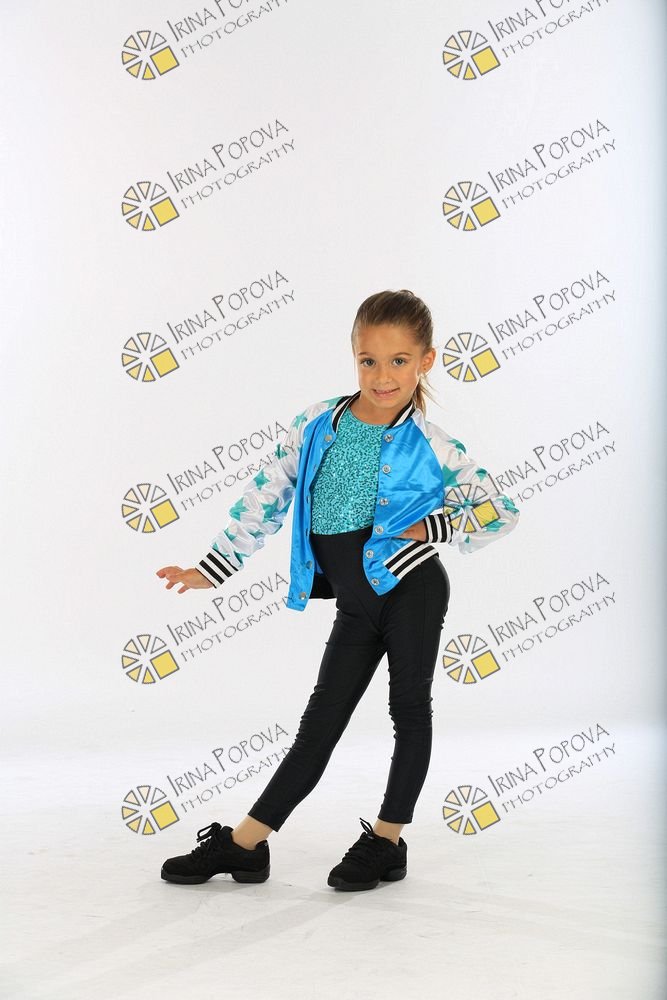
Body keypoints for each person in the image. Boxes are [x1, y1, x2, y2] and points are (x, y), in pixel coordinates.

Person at [156, 288, 520, 891]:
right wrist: (215, 566)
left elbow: (500, 512)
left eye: (399, 361)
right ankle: (246, 846)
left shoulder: (434, 446)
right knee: (319, 724)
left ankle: (387, 841)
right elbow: (267, 495)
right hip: (357, 603)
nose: (382, 376)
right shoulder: (315, 424)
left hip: (412, 591)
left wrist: (433, 526)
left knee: (409, 710)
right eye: (368, 360)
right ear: (354, 357)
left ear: (426, 361)